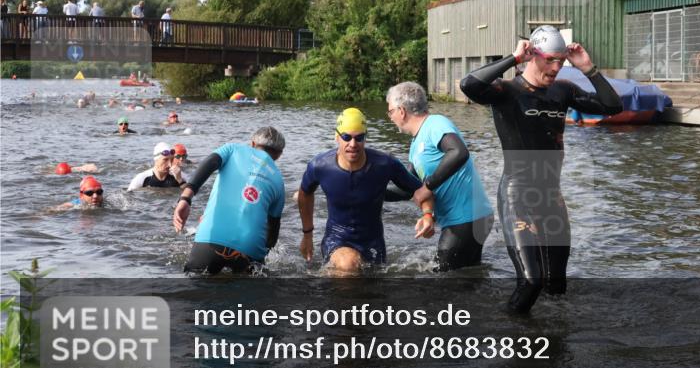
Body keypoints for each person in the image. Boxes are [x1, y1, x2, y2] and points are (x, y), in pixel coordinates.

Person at [460, 25, 623, 314]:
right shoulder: (506, 91)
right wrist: (513, 58)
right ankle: (508, 335)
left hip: (551, 199)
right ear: (533, 55)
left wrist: (588, 69)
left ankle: (550, 337)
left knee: (556, 286)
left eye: (561, 61)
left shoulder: (563, 91)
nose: (556, 68)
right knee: (531, 282)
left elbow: (612, 107)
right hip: (518, 197)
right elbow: (468, 85)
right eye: (550, 60)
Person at [297, 108, 432, 275]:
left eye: (359, 138)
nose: (353, 144)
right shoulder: (320, 166)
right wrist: (307, 235)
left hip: (373, 243)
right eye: (346, 137)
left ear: (365, 138)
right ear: (337, 137)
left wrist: (428, 215)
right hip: (337, 239)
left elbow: (422, 190)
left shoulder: (385, 164)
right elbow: (304, 193)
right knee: (348, 265)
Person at [386, 81, 494, 271]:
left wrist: (427, 187)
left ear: (401, 111)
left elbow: (458, 152)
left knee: (444, 280)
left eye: (390, 111)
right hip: (466, 219)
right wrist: (370, 192)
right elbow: (409, 189)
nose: (390, 117)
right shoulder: (416, 144)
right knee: (467, 276)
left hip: (467, 218)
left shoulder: (435, 123)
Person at [172, 127, 286, 275]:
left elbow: (208, 164)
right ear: (279, 154)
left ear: (252, 143)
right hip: (249, 251)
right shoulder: (279, 181)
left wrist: (186, 199)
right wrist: (261, 257)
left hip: (210, 240)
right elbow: (272, 232)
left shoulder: (232, 149)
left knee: (195, 286)